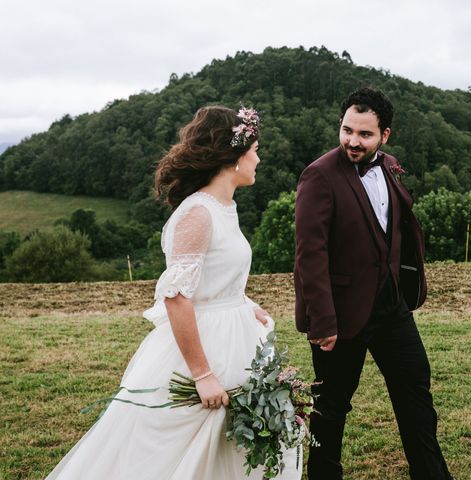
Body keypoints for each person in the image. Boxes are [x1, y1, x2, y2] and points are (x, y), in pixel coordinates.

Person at [47, 106, 301, 480]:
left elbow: (213, 281)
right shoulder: (197, 213)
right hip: (206, 349)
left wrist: (247, 304)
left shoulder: (225, 207)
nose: (258, 158)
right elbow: (176, 296)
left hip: (238, 339)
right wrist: (202, 375)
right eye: (255, 149)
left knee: (236, 449)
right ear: (233, 156)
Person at [294, 87, 453, 479]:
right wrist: (323, 321)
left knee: (416, 392)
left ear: (385, 136)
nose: (352, 141)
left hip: (391, 306)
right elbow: (309, 256)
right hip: (341, 314)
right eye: (347, 130)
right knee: (330, 406)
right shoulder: (319, 175)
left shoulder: (390, 166)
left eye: (364, 134)